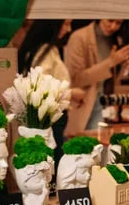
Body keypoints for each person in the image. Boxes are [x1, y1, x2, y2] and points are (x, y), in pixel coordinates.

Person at [17, 19, 85, 147]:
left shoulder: (45, 50)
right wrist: (71, 94)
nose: (69, 29)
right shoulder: (45, 52)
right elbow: (40, 88)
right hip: (49, 118)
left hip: (51, 116)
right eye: (65, 24)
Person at [64, 19, 129, 134]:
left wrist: (126, 68)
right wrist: (111, 62)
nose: (113, 26)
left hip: (105, 104)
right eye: (110, 21)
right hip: (82, 105)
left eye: (118, 23)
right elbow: (76, 79)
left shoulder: (114, 40)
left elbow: (111, 77)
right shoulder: (79, 37)